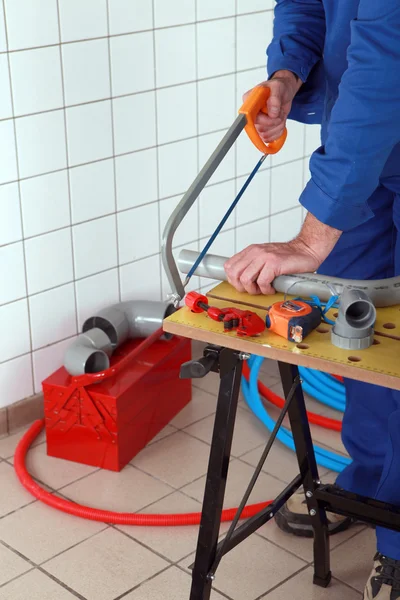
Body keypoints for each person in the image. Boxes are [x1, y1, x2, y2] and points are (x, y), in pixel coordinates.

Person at [224, 2, 400, 598]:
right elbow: (305, 3)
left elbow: (386, 63)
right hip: (364, 143)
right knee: (358, 336)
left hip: (376, 109)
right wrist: (287, 73)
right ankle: (371, 488)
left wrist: (310, 238)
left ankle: (399, 541)